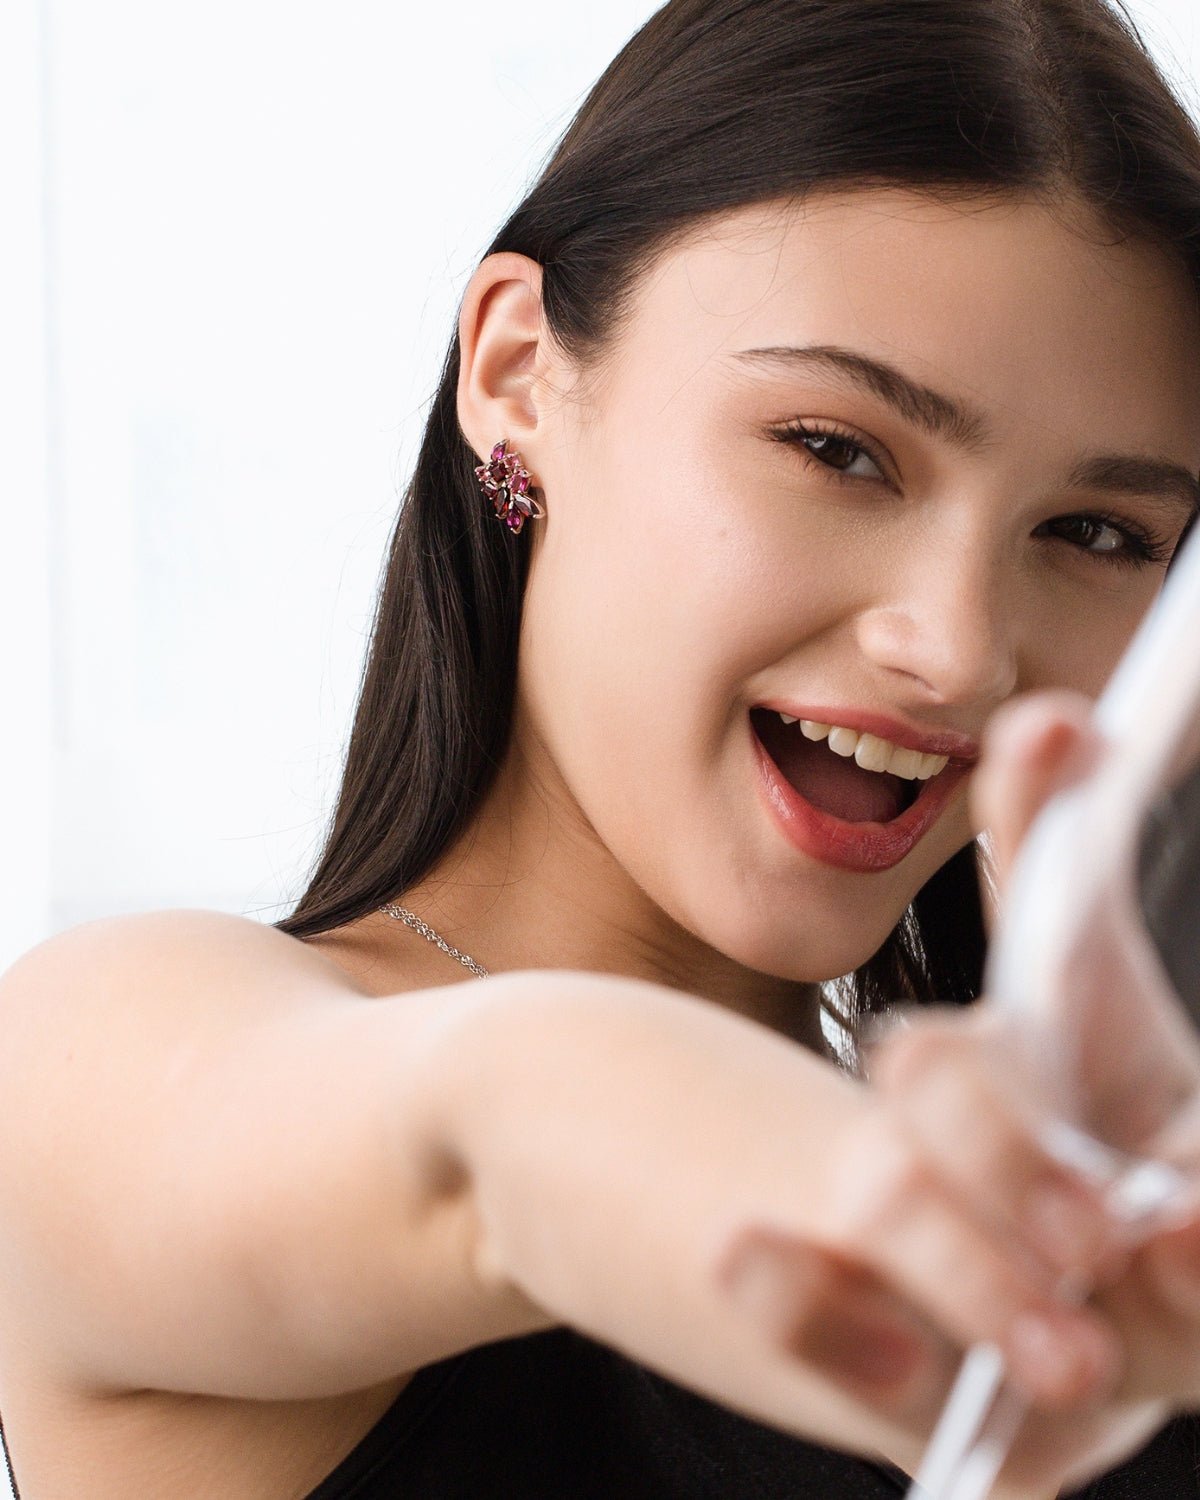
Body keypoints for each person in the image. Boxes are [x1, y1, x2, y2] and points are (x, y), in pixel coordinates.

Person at [3, 0, 1200, 1494]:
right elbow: (500, 1132)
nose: (958, 646)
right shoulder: (111, 1055)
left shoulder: (1115, 1236)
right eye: (835, 448)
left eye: (1099, 534)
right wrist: (925, 1241)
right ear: (516, 372)